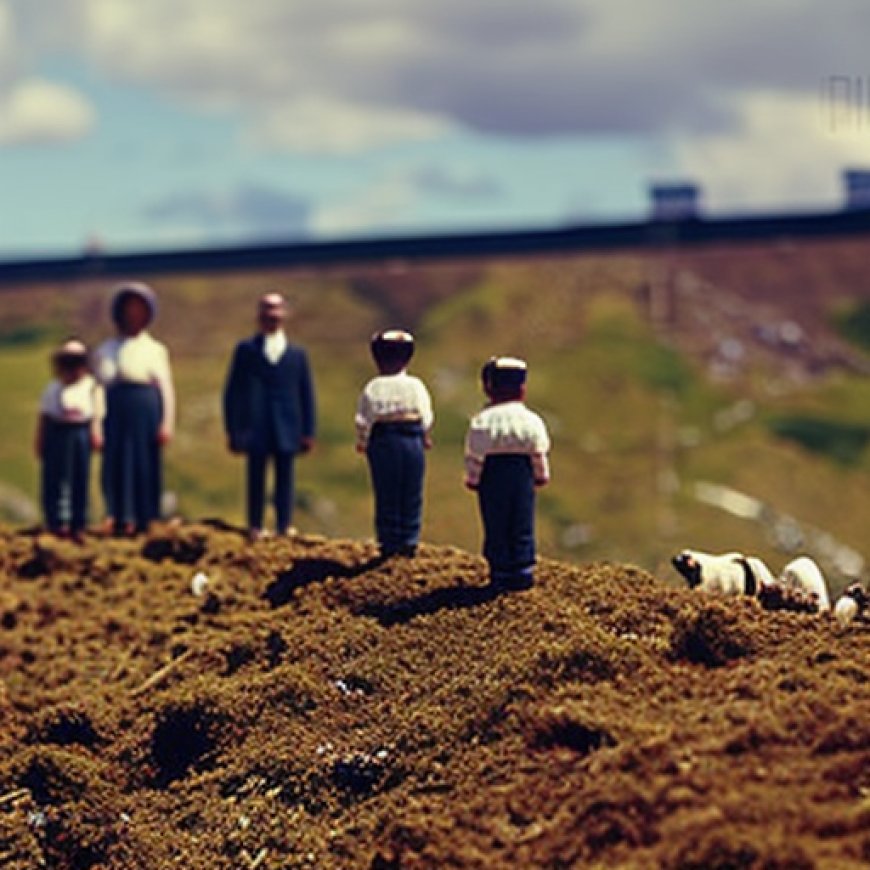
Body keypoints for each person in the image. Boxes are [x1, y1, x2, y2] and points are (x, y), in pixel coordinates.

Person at [223, 292, 316, 541]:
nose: (271, 316)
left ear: (284, 315)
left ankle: (284, 525)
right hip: (256, 425)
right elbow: (233, 392)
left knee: (285, 476)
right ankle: (255, 524)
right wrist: (233, 429)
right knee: (256, 476)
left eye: (276, 310)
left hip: (287, 424)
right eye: (267, 310)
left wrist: (308, 431)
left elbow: (306, 393)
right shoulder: (246, 350)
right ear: (259, 316)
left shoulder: (297, 354)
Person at [95, 282, 175, 535]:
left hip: (145, 408)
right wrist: (96, 423)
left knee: (144, 462)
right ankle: (119, 515)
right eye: (129, 309)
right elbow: (98, 388)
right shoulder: (105, 350)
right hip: (115, 409)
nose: (133, 315)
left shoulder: (155, 349)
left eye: (139, 309)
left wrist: (167, 422)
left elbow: (166, 389)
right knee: (117, 463)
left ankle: (147, 516)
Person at [464, 356, 550, 590]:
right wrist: (541, 474)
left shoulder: (483, 421)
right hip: (522, 474)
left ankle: (500, 571)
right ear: (522, 389)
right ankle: (522, 570)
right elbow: (538, 451)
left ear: (488, 388)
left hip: (493, 476)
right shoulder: (532, 420)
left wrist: (473, 478)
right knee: (521, 520)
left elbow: (475, 454)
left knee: (496, 522)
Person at [355, 329, 434, 558]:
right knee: (410, 490)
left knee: (386, 491)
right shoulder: (416, 385)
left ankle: (389, 541)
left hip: (383, 439)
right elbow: (426, 414)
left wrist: (363, 441)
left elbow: (363, 419)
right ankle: (409, 539)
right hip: (411, 438)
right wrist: (424, 434)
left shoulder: (373, 387)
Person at [34, 339, 105, 541]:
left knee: (79, 477)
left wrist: (95, 432)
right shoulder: (53, 388)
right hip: (58, 433)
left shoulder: (90, 387)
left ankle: (78, 522)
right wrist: (40, 441)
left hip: (79, 432)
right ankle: (56, 521)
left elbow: (96, 413)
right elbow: (44, 416)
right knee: (56, 478)